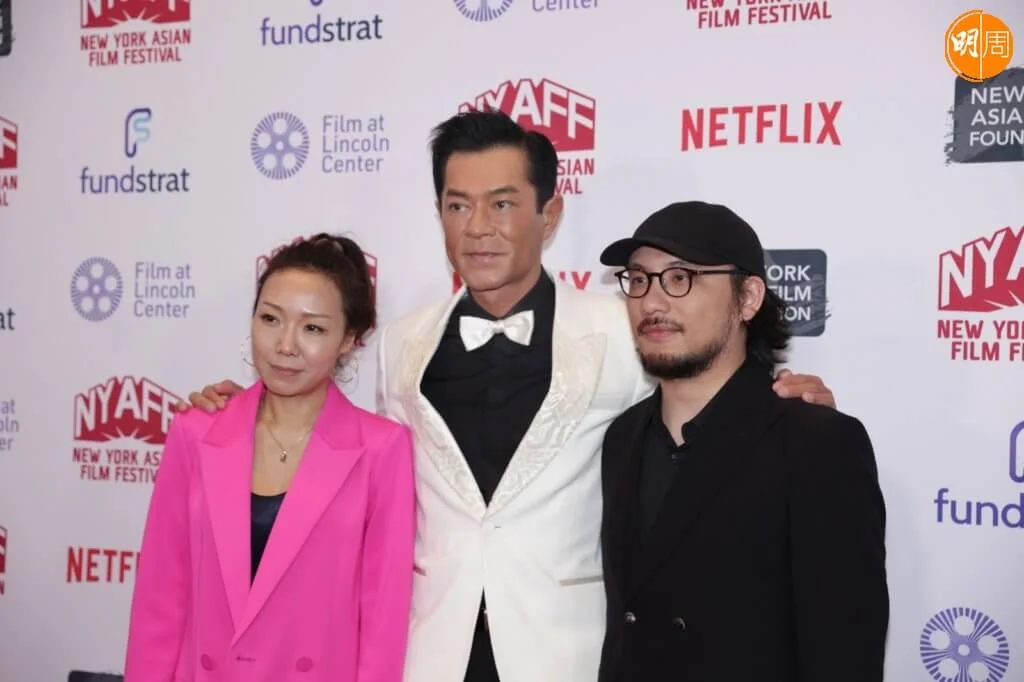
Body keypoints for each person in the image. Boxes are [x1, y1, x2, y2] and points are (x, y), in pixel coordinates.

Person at [180, 111, 837, 682]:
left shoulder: (623, 328)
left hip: (568, 652)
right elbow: (353, 463)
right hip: (430, 651)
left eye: (501, 204)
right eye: (457, 205)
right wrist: (243, 413)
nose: (477, 228)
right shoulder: (401, 343)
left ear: (549, 215)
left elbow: (706, 403)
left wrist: (780, 403)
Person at [596, 201, 889, 682]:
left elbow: (845, 651)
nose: (651, 302)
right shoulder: (622, 438)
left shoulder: (816, 443)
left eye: (680, 278)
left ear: (748, 298)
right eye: (640, 279)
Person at [125, 234, 416, 682]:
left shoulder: (382, 450)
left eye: (312, 328)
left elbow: (382, 624)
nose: (285, 345)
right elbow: (159, 601)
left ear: (349, 339)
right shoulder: (196, 432)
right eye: (270, 319)